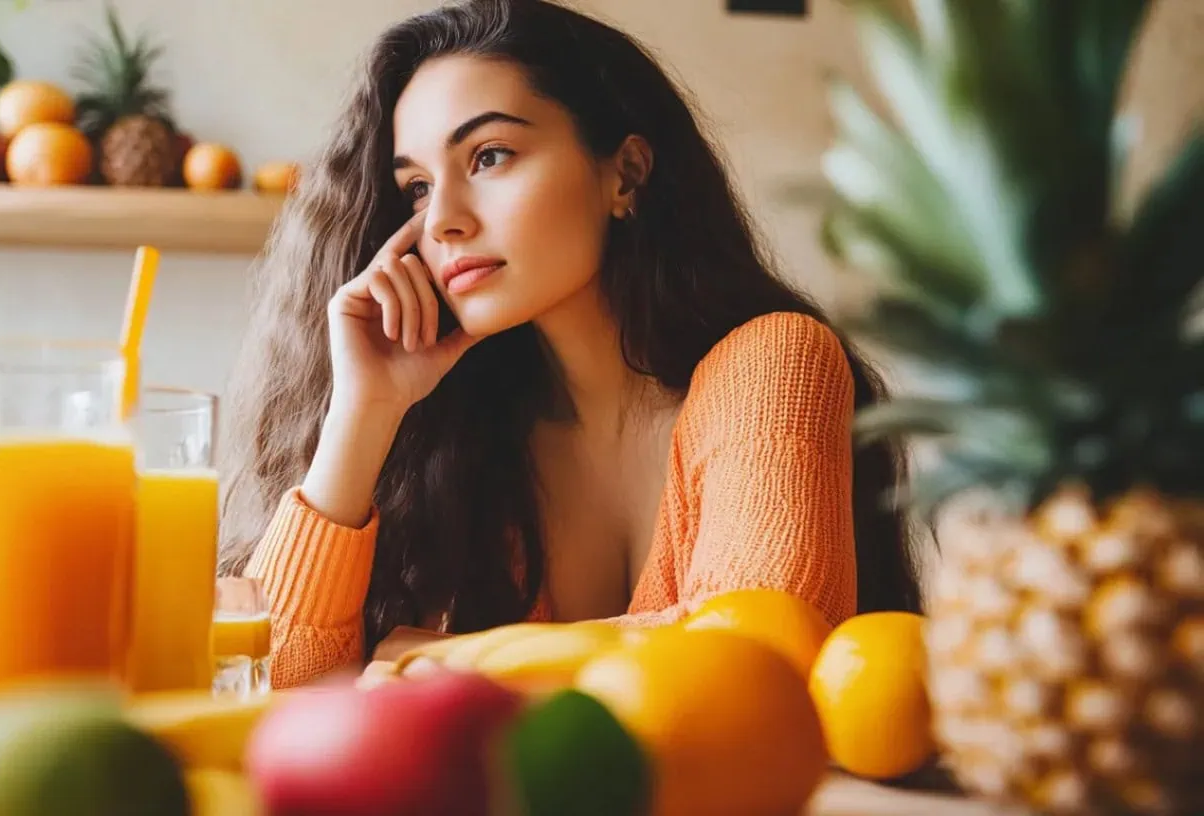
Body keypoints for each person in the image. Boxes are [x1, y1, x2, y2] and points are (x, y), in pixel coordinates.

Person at [217, 0, 922, 690]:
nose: (445, 221)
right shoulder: (463, 431)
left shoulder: (773, 362)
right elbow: (271, 683)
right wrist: (363, 413)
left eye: (489, 156)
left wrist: (457, 658)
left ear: (626, 174)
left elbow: (762, 657)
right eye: (417, 188)